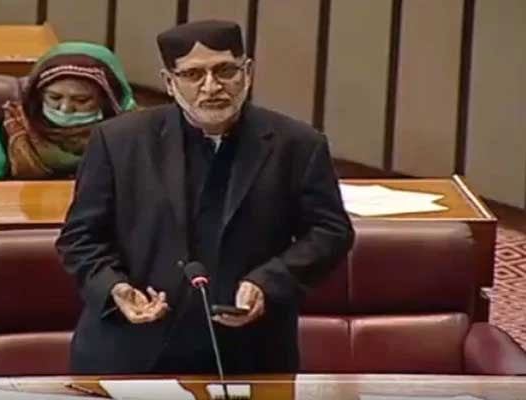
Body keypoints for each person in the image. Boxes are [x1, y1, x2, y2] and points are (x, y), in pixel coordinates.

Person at [57, 20, 354, 374]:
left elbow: (331, 232)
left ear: (248, 72)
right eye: (194, 75)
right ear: (169, 82)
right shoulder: (118, 141)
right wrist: (114, 288)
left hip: (249, 353)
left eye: (225, 71)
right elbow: (79, 237)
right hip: (131, 350)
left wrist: (269, 281)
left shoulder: (298, 144)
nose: (212, 87)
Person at [0, 42, 137, 181]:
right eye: (54, 97)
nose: (65, 108)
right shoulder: (15, 127)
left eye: (81, 100)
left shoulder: (131, 132)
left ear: (107, 99)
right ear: (39, 95)